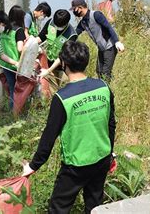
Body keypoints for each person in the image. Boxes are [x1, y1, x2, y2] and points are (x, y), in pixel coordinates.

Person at [22, 41, 116, 214]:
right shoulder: (104, 88)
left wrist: (33, 165)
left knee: (59, 208)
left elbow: (49, 137)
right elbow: (111, 124)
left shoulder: (62, 98)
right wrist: (110, 153)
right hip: (102, 158)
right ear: (86, 61)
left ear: (64, 64)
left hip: (75, 166)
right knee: (95, 206)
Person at [71, 0, 125, 82]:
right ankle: (112, 84)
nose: (74, 12)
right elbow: (75, 34)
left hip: (109, 47)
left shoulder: (96, 15)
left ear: (80, 7)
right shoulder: (83, 22)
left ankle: (107, 91)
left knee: (105, 72)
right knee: (99, 71)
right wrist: (66, 43)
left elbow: (109, 27)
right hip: (101, 48)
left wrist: (117, 42)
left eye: (74, 9)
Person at [39, 9, 78, 94]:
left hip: (64, 68)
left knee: (66, 91)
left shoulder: (71, 35)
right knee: (53, 92)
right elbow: (41, 37)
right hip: (49, 65)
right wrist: (33, 44)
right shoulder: (51, 23)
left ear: (66, 23)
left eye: (59, 26)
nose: (56, 27)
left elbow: (62, 57)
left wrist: (48, 71)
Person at [0, 5, 26, 109]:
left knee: (11, 89)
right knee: (19, 89)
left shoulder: (4, 29)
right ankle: (17, 112)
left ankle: (12, 111)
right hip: (16, 65)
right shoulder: (19, 30)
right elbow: (20, 48)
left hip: (5, 63)